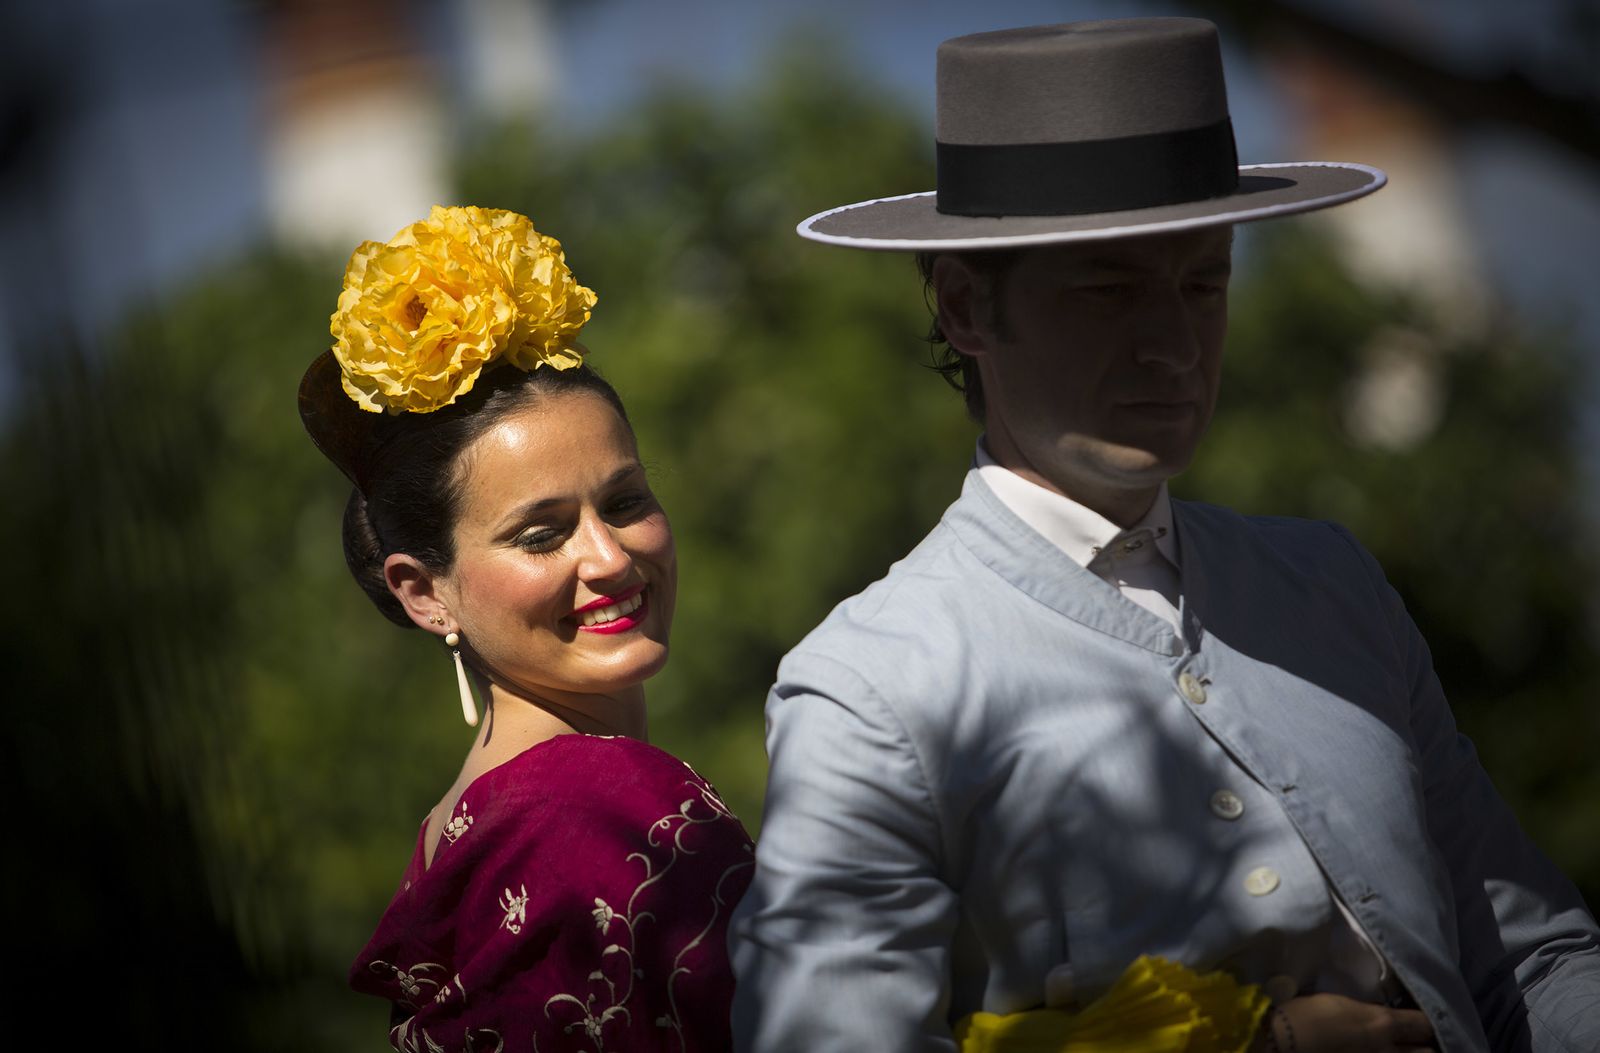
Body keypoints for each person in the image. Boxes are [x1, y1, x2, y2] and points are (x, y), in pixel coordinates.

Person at [729, 18, 1600, 1053]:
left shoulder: (1331, 586)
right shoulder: (873, 694)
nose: (1171, 342)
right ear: (966, 306)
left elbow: (1531, 956)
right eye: (1107, 289)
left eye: (1203, 284)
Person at [299, 205, 752, 1053]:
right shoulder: (602, 808)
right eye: (542, 534)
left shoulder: (459, 822)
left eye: (624, 503)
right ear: (424, 593)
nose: (610, 558)